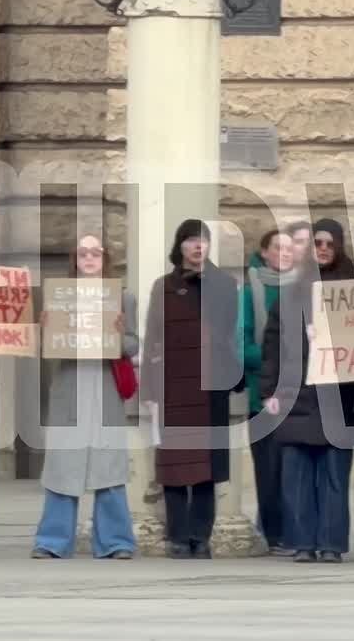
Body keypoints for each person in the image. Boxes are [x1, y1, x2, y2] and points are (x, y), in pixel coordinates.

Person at [32, 234, 139, 560]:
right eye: (83, 253)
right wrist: (44, 330)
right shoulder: (58, 297)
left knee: (109, 466)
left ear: (104, 258)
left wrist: (120, 336)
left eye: (96, 253)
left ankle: (116, 542)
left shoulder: (123, 298)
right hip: (70, 388)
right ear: (74, 259)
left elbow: (134, 345)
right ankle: (53, 541)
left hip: (104, 390)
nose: (89, 258)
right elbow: (44, 350)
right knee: (64, 465)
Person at [141, 219, 241, 559]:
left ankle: (201, 537)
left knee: (204, 470)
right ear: (180, 246)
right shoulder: (162, 287)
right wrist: (149, 391)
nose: (198, 247)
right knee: (173, 468)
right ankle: (178, 537)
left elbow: (228, 334)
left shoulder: (225, 285)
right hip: (171, 388)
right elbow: (152, 338)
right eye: (191, 241)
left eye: (204, 241)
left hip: (209, 388)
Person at [261, 218, 354, 563]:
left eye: (330, 244)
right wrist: (268, 391)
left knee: (334, 479)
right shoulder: (291, 296)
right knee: (297, 479)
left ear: (340, 247)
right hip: (296, 399)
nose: (323, 249)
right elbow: (272, 346)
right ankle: (302, 542)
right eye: (318, 243)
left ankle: (331, 544)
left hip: (338, 400)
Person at [240, 228, 296, 556]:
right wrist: (279, 358)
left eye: (290, 249)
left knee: (294, 468)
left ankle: (292, 530)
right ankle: (274, 536)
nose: (284, 254)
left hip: (299, 397)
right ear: (265, 252)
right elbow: (241, 347)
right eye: (278, 248)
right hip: (261, 396)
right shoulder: (251, 292)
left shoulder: (306, 289)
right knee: (269, 468)